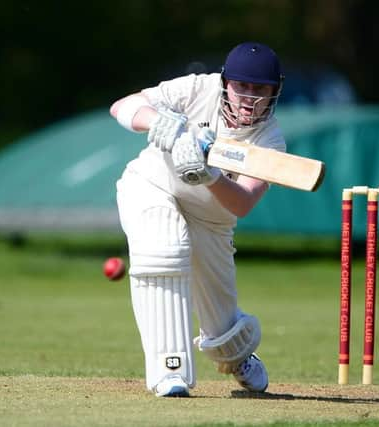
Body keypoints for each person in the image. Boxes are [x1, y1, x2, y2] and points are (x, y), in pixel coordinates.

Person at [109, 42, 285, 397]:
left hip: (213, 220)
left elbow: (244, 203)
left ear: (274, 93)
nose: (249, 98)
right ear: (225, 83)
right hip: (154, 185)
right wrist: (162, 123)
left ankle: (236, 357)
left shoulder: (270, 140)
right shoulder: (197, 88)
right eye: (242, 87)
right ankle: (168, 371)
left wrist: (210, 176)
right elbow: (121, 106)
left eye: (259, 89)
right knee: (163, 248)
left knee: (222, 328)